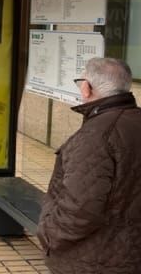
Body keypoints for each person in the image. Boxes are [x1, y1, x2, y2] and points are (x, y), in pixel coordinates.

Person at [37, 57, 141, 273]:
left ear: (86, 88)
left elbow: (81, 208)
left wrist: (48, 234)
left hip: (95, 259)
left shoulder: (96, 136)